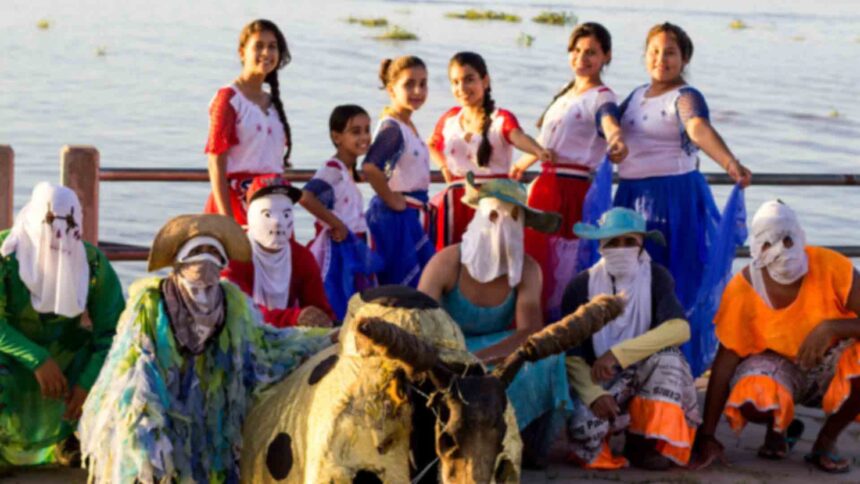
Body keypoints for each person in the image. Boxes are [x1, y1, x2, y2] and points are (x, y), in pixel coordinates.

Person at [79, 214, 335, 483]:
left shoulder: (231, 304)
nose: (203, 293)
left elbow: (264, 345)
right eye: (194, 279)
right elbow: (133, 377)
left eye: (210, 281)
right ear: (179, 268)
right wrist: (147, 440)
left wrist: (320, 340)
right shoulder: (152, 306)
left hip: (212, 427)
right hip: (163, 416)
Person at [612, 22, 752, 371]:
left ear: (684, 58)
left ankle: (671, 366)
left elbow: (697, 128)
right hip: (631, 199)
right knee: (628, 282)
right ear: (645, 56)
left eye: (670, 52)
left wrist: (729, 161)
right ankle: (631, 360)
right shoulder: (635, 94)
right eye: (655, 51)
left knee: (670, 282)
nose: (662, 59)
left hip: (673, 201)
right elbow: (610, 126)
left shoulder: (686, 96)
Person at [693, 201, 860, 474]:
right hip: (775, 367)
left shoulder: (832, 267)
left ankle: (826, 440)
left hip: (828, 365)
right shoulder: (744, 288)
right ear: (757, 248)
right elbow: (726, 359)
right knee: (750, 395)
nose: (782, 249)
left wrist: (832, 328)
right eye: (770, 243)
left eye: (787, 238)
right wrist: (707, 434)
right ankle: (780, 425)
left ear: (800, 236)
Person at [418, 173, 570, 467]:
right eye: (493, 215)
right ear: (478, 218)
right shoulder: (447, 263)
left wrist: (481, 359)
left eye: (514, 218)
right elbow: (422, 320)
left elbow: (529, 331)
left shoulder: (527, 270)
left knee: (551, 360)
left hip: (496, 350)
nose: (502, 226)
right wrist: (454, 359)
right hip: (449, 352)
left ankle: (524, 444)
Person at [561, 207, 699, 470]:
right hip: (598, 379)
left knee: (668, 359)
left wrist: (618, 354)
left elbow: (679, 328)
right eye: (613, 242)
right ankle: (602, 441)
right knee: (585, 428)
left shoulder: (657, 277)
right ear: (601, 245)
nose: (621, 248)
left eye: (630, 242)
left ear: (641, 245)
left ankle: (644, 443)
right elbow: (571, 352)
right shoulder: (580, 286)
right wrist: (592, 395)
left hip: (642, 372)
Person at [0, 183, 123, 470]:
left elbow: (113, 332)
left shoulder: (92, 265)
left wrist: (87, 382)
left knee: (119, 364)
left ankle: (70, 438)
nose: (57, 241)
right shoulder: (5, 258)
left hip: (66, 358)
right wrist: (37, 359)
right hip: (12, 354)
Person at [510, 22, 628, 317]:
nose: (582, 58)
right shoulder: (564, 95)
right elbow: (547, 142)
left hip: (572, 191)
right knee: (534, 263)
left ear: (606, 56)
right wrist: (522, 164)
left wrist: (615, 139)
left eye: (591, 52)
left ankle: (562, 333)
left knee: (563, 265)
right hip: (544, 186)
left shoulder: (603, 96)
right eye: (576, 51)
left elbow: (609, 122)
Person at [429, 51, 553, 250]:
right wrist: (443, 166)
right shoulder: (449, 119)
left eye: (469, 80)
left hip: (493, 202)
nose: (462, 88)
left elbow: (516, 136)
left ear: (485, 81)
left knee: (491, 259)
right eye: (455, 82)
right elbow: (433, 144)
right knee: (453, 262)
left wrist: (538, 151)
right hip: (455, 204)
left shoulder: (500, 118)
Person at [204, 19, 294, 226]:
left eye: (272, 47)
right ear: (242, 52)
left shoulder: (272, 104)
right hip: (237, 203)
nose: (266, 53)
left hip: (274, 204)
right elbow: (215, 162)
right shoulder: (228, 99)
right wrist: (227, 220)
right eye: (259, 46)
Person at [223, 174, 335, 327]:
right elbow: (240, 311)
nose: (278, 223)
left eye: (286, 214)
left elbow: (320, 308)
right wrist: (293, 318)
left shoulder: (301, 257)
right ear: (251, 216)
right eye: (268, 214)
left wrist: (323, 322)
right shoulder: (234, 256)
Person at [301, 105, 381, 319]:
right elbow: (306, 197)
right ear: (336, 137)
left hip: (353, 245)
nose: (364, 136)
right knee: (340, 298)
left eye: (366, 130)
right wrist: (336, 223)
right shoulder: (333, 169)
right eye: (356, 131)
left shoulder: (346, 171)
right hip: (339, 250)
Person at [363, 55, 435, 287]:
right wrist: (391, 199)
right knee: (401, 288)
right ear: (391, 89)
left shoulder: (406, 124)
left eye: (423, 83)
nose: (417, 90)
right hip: (395, 219)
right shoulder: (392, 128)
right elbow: (370, 167)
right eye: (409, 84)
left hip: (410, 216)